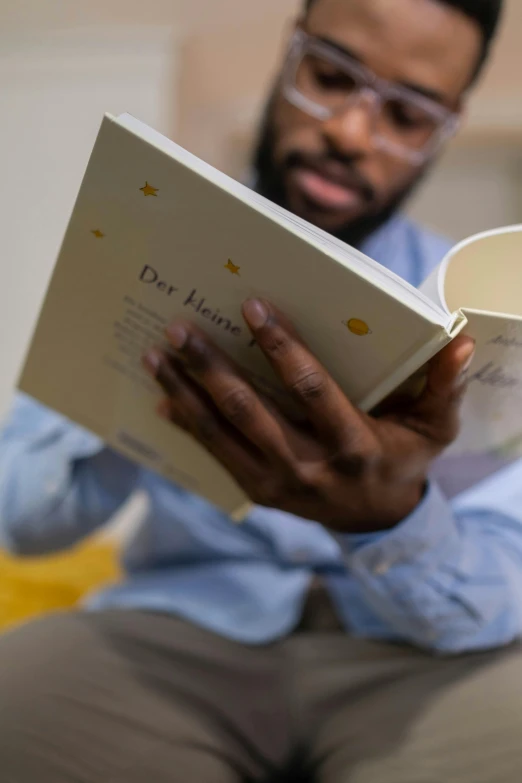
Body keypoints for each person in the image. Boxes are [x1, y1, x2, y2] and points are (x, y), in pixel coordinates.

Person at [1, 0, 519, 781]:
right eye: (330, 76)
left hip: (410, 652)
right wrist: (134, 377)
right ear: (290, 56)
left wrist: (393, 518)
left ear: (445, 129)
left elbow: (503, 589)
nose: (349, 134)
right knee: (18, 693)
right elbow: (22, 522)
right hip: (184, 626)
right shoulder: (144, 227)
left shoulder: (480, 310)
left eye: (408, 116)